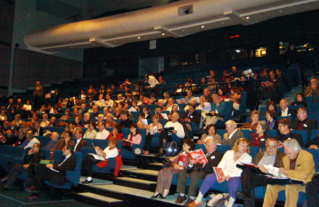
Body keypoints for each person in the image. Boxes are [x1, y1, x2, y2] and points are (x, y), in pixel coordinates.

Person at [189, 138, 252, 207]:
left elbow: (240, 171)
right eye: (242, 145)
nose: (244, 148)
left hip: (235, 176)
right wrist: (220, 175)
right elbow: (221, 165)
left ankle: (230, 204)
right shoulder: (229, 153)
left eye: (246, 146)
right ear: (237, 145)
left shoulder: (248, 157)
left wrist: (227, 177)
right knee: (209, 177)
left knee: (233, 181)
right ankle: (198, 200)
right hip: (223, 173)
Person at [262, 139, 315, 207]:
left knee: (290, 187)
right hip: (289, 181)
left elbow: (303, 175)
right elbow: (285, 174)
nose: (287, 155)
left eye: (289, 153)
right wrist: (277, 174)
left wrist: (286, 171)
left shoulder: (307, 157)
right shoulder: (285, 158)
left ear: (296, 151)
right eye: (285, 153)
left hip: (304, 184)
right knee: (271, 186)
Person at [235, 138, 284, 207]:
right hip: (256, 175)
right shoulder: (259, 154)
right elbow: (252, 166)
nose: (270, 148)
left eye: (273, 146)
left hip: (269, 177)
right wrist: (253, 167)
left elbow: (282, 173)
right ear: (265, 145)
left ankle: (246, 193)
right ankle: (246, 192)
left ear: (277, 146)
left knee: (249, 183)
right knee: (246, 170)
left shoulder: (281, 157)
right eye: (268, 146)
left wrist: (267, 171)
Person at [175, 138, 223, 205]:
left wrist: (204, 162)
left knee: (194, 174)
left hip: (206, 172)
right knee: (182, 172)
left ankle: (191, 198)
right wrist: (192, 163)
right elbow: (196, 164)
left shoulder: (219, 154)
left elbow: (215, 166)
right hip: (197, 169)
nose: (206, 147)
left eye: (208, 145)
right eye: (205, 146)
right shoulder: (204, 153)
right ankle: (182, 195)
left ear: (214, 145)